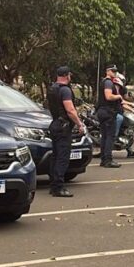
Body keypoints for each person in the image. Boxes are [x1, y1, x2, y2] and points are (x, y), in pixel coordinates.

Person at [46, 66, 85, 197]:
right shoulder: (65, 90)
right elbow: (70, 110)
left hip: (55, 123)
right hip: (63, 127)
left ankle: (53, 185)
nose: (70, 77)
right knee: (62, 158)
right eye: (69, 75)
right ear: (66, 75)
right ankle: (59, 187)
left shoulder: (52, 88)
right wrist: (79, 124)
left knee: (55, 156)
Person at [96, 65, 124, 168]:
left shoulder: (104, 82)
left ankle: (103, 160)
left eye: (115, 71)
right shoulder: (108, 82)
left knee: (104, 136)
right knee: (110, 137)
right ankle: (108, 160)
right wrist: (118, 96)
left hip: (102, 111)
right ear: (107, 71)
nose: (114, 73)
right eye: (112, 71)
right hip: (108, 112)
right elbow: (108, 96)